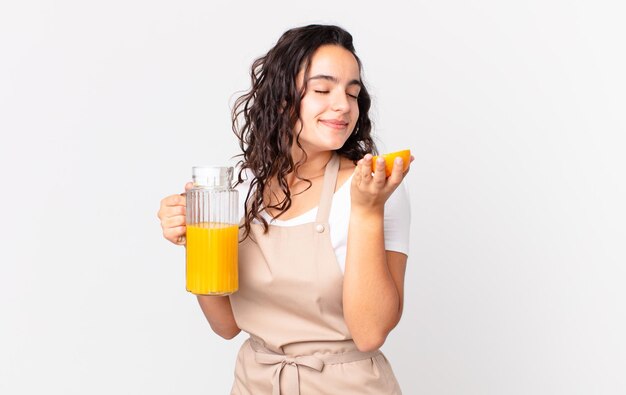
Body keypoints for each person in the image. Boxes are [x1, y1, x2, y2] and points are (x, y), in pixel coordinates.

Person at [158, 24, 412, 395]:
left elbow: (370, 332)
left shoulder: (372, 186)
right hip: (256, 383)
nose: (343, 105)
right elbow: (226, 325)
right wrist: (194, 238)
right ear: (280, 97)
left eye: (352, 93)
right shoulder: (242, 186)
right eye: (323, 89)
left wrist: (367, 211)